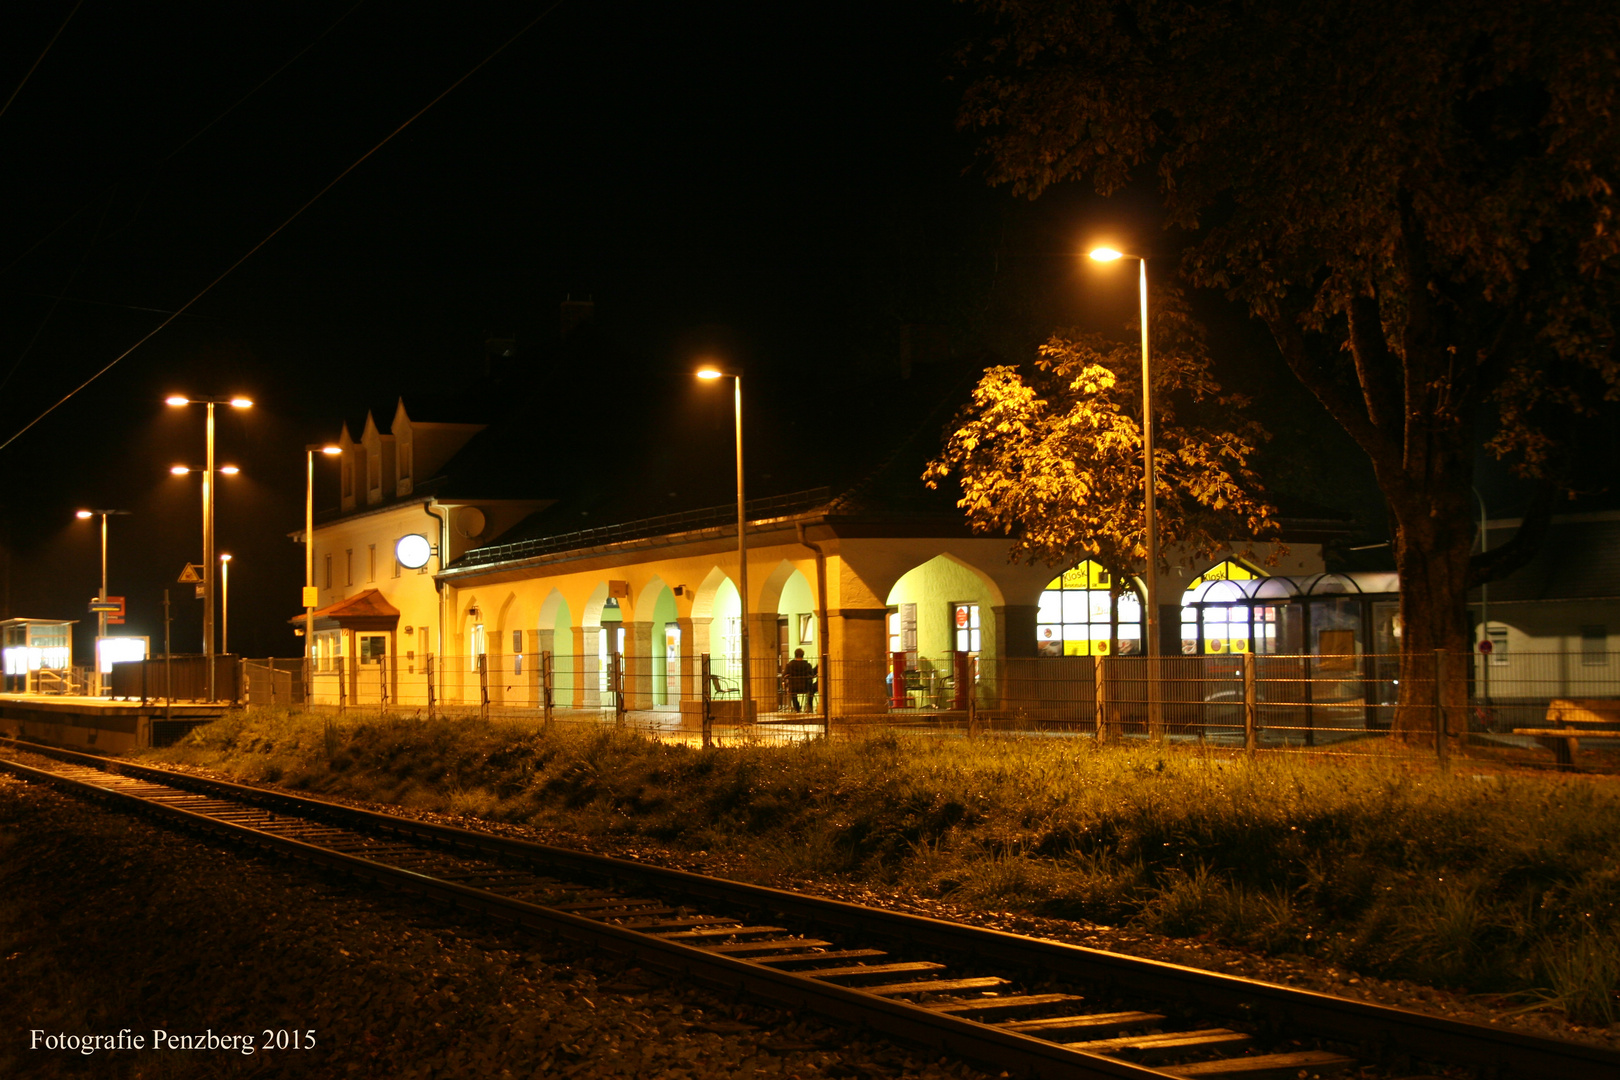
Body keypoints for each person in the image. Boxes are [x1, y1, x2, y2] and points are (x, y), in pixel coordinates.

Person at [783, 648, 816, 712]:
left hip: (793, 687)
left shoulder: (789, 665)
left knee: (792, 692)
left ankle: (797, 707)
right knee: (811, 687)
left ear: (795, 655)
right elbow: (812, 675)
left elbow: (784, 675)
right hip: (805, 687)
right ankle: (809, 706)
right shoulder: (807, 665)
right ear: (803, 655)